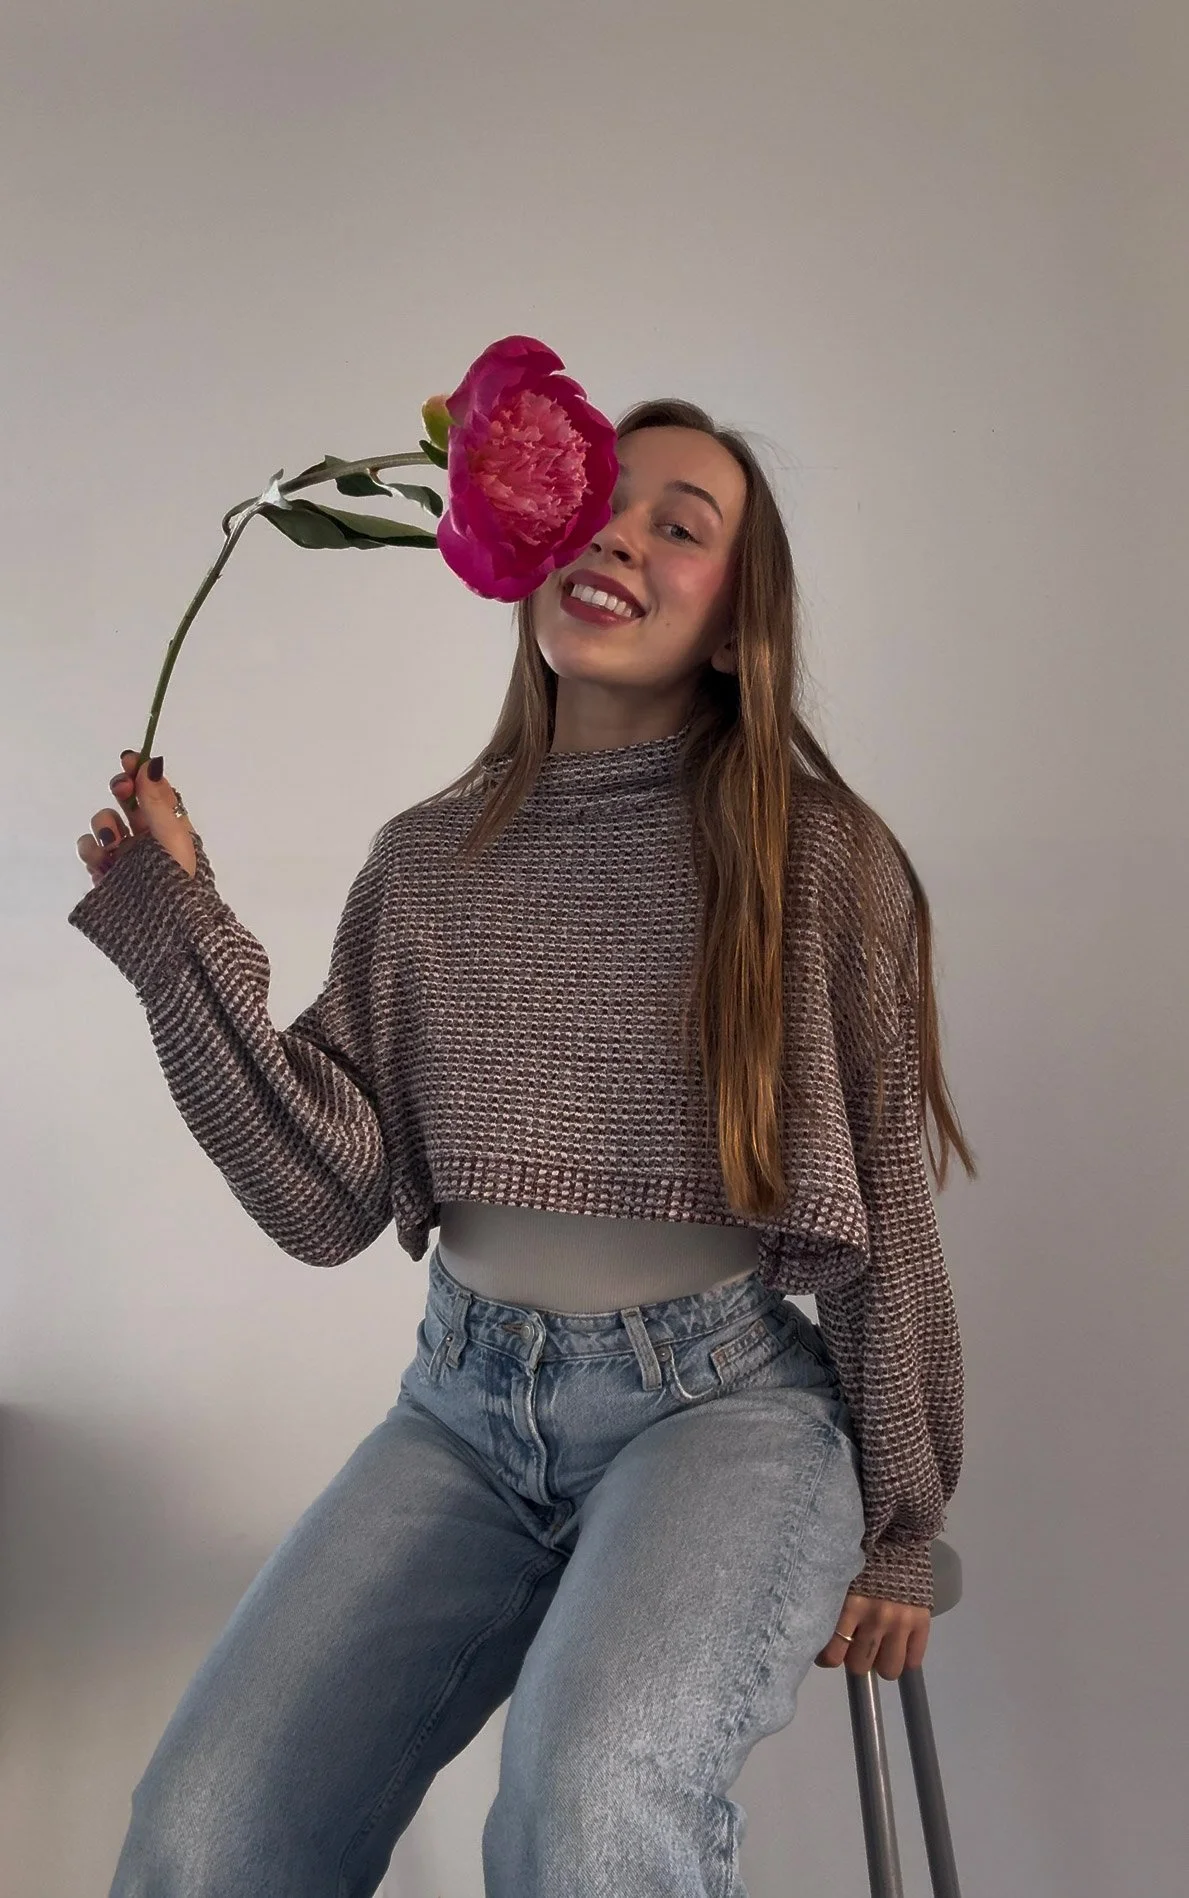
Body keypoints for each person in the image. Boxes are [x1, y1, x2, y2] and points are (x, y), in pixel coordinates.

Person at [70, 403, 974, 1897]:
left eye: (679, 524)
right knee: (205, 1824)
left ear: (739, 626)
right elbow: (324, 1196)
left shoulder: (813, 858)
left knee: (588, 1803)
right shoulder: (428, 859)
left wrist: (901, 1522)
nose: (618, 536)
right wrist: (182, 931)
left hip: (725, 1412)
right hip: (459, 1411)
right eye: (595, 504)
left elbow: (884, 1208)